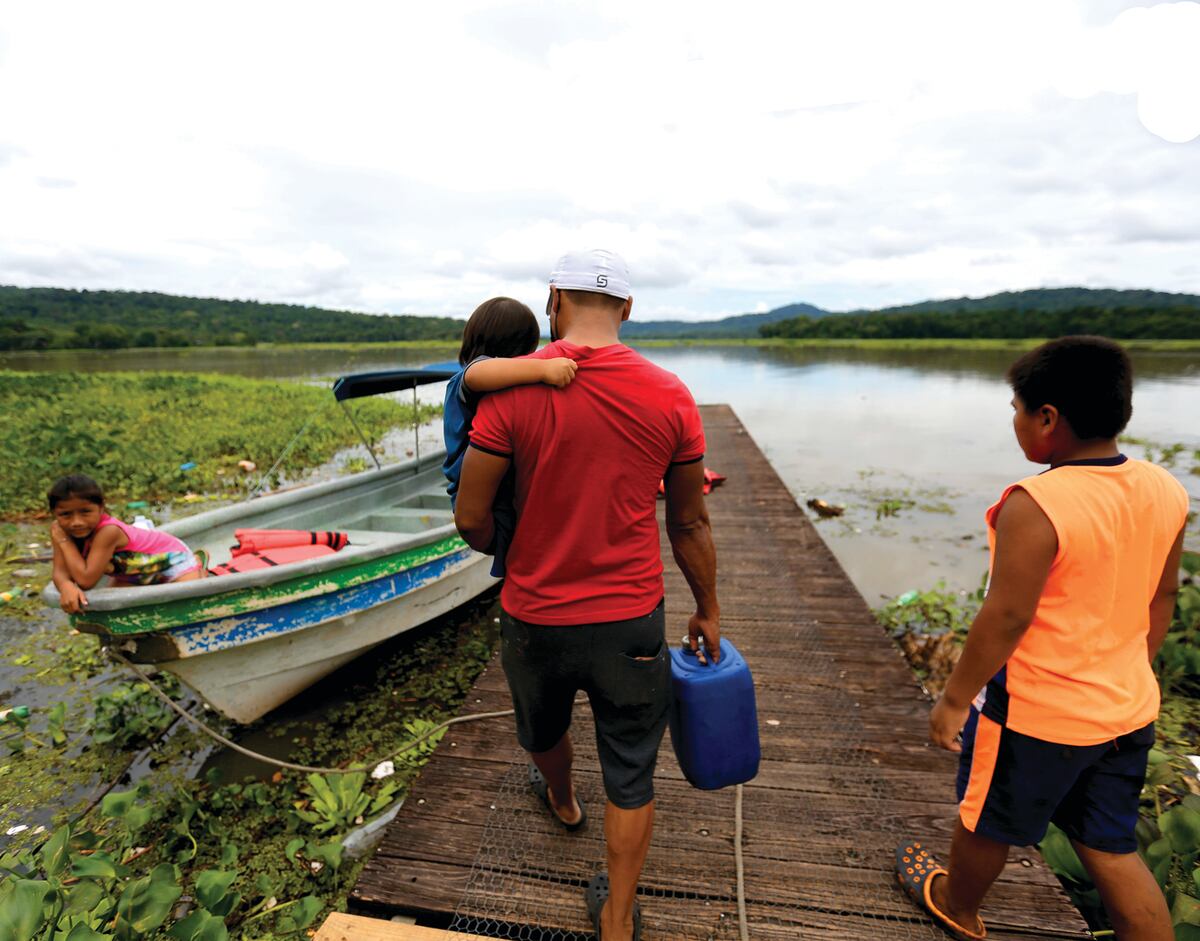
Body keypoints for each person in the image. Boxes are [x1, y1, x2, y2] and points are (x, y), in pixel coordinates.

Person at [454, 249, 720, 941]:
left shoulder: (512, 390)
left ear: (553, 300)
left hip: (533, 614)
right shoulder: (670, 394)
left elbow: (469, 515)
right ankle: (617, 918)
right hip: (630, 617)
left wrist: (503, 553)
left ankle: (566, 801)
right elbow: (688, 518)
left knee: (542, 729)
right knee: (631, 770)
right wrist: (709, 606)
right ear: (628, 309)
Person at [897, 337, 1188, 941]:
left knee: (986, 822)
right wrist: (1129, 670)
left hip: (1037, 716)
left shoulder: (1036, 502)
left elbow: (1006, 617)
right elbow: (1162, 598)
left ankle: (958, 904)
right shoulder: (1165, 488)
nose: (1015, 421)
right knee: (1108, 845)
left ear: (1048, 418)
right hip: (1126, 709)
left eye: (1017, 409)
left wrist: (954, 700)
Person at [441, 296, 578, 577]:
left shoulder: (502, 383)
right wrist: (543, 368)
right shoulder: (471, 376)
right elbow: (478, 373)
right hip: (472, 493)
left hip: (497, 487)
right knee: (516, 554)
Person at [48, 474, 205, 613]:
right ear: (55, 513)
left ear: (101, 507)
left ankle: (198, 568)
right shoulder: (60, 529)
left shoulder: (108, 532)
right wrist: (65, 586)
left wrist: (64, 540)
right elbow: (60, 572)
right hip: (133, 574)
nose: (76, 522)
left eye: (85, 512)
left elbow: (86, 581)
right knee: (111, 611)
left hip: (172, 564)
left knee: (185, 608)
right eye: (65, 514)